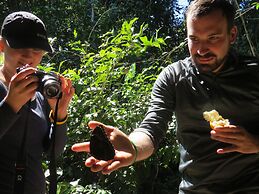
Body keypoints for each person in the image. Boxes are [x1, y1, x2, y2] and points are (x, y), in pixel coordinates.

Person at [72, 0, 259, 193]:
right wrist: (132, 149)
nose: (202, 50)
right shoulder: (174, 76)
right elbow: (152, 126)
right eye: (194, 39)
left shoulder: (254, 73)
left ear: (232, 34)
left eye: (213, 38)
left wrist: (256, 143)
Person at [0, 11, 74, 194]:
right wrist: (10, 105)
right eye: (21, 47)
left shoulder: (40, 92)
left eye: (37, 51)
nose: (28, 57)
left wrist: (60, 114)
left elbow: (52, 153)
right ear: (1, 45)